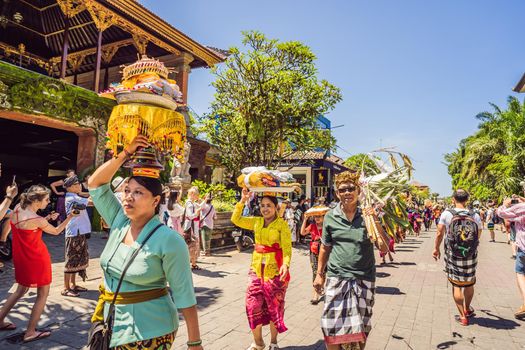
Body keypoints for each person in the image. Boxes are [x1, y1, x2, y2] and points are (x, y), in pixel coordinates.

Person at [87, 135, 203, 349]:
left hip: (150, 331)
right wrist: (126, 153)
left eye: (138, 192)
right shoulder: (119, 221)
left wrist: (194, 342)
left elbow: (184, 294)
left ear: (156, 200)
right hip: (109, 322)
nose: (128, 197)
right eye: (127, 191)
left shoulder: (169, 240)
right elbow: (95, 184)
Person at [0, 184, 75, 342]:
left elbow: (25, 227)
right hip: (37, 259)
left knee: (20, 290)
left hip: (21, 258)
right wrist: (71, 217)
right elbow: (55, 231)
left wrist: (47, 219)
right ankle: (30, 332)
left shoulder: (17, 209)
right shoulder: (37, 219)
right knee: (42, 294)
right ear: (37, 201)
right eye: (46, 199)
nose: (48, 202)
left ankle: (0, 320)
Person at [313, 171, 376, 350]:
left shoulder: (368, 215)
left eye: (351, 188)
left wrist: (375, 221)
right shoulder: (330, 216)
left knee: (362, 327)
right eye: (342, 190)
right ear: (337, 193)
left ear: (359, 190)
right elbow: (325, 247)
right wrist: (319, 275)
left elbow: (384, 247)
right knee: (330, 327)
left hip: (364, 277)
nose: (347, 192)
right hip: (337, 276)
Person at [231, 188, 292, 350]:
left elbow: (287, 248)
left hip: (275, 271)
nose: (265, 208)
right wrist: (243, 200)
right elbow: (235, 219)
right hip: (257, 269)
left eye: (269, 205)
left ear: (276, 207)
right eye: (263, 205)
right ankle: (258, 342)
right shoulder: (256, 221)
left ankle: (273, 342)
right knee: (252, 304)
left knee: (274, 305)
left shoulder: (282, 225)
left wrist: (286, 264)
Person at [433, 189, 482, 326]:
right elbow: (478, 234)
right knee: (469, 282)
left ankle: (462, 316)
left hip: (453, 253)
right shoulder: (475, 215)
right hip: (470, 254)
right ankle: (467, 309)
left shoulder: (447, 214)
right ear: (467, 199)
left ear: (453, 199)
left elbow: (439, 233)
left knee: (456, 284)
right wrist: (470, 247)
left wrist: (436, 249)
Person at [62, 176, 91, 297]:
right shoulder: (72, 197)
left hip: (79, 231)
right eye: (77, 184)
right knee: (70, 260)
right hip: (74, 232)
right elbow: (89, 202)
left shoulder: (75, 196)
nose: (79, 186)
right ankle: (65, 288)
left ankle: (73, 284)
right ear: (71, 187)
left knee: (76, 260)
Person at [496, 196, 525, 319]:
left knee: (520, 273)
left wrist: (505, 204)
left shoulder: (521, 208)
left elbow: (502, 213)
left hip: (523, 248)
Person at [300, 212, 325, 305]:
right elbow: (302, 232)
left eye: (319, 216)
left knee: (323, 272)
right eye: (315, 217)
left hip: (325, 251)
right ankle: (315, 294)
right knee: (315, 272)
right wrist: (305, 219)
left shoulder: (327, 226)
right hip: (314, 251)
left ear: (323, 217)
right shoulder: (312, 226)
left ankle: (320, 287)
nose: (317, 218)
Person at [184, 186, 203, 270]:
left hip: (191, 226)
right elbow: (190, 216)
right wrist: (197, 212)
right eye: (196, 194)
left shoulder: (192, 203)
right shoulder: (189, 204)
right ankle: (192, 264)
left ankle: (193, 263)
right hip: (190, 228)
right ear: (192, 194)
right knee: (192, 245)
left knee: (191, 245)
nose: (197, 196)